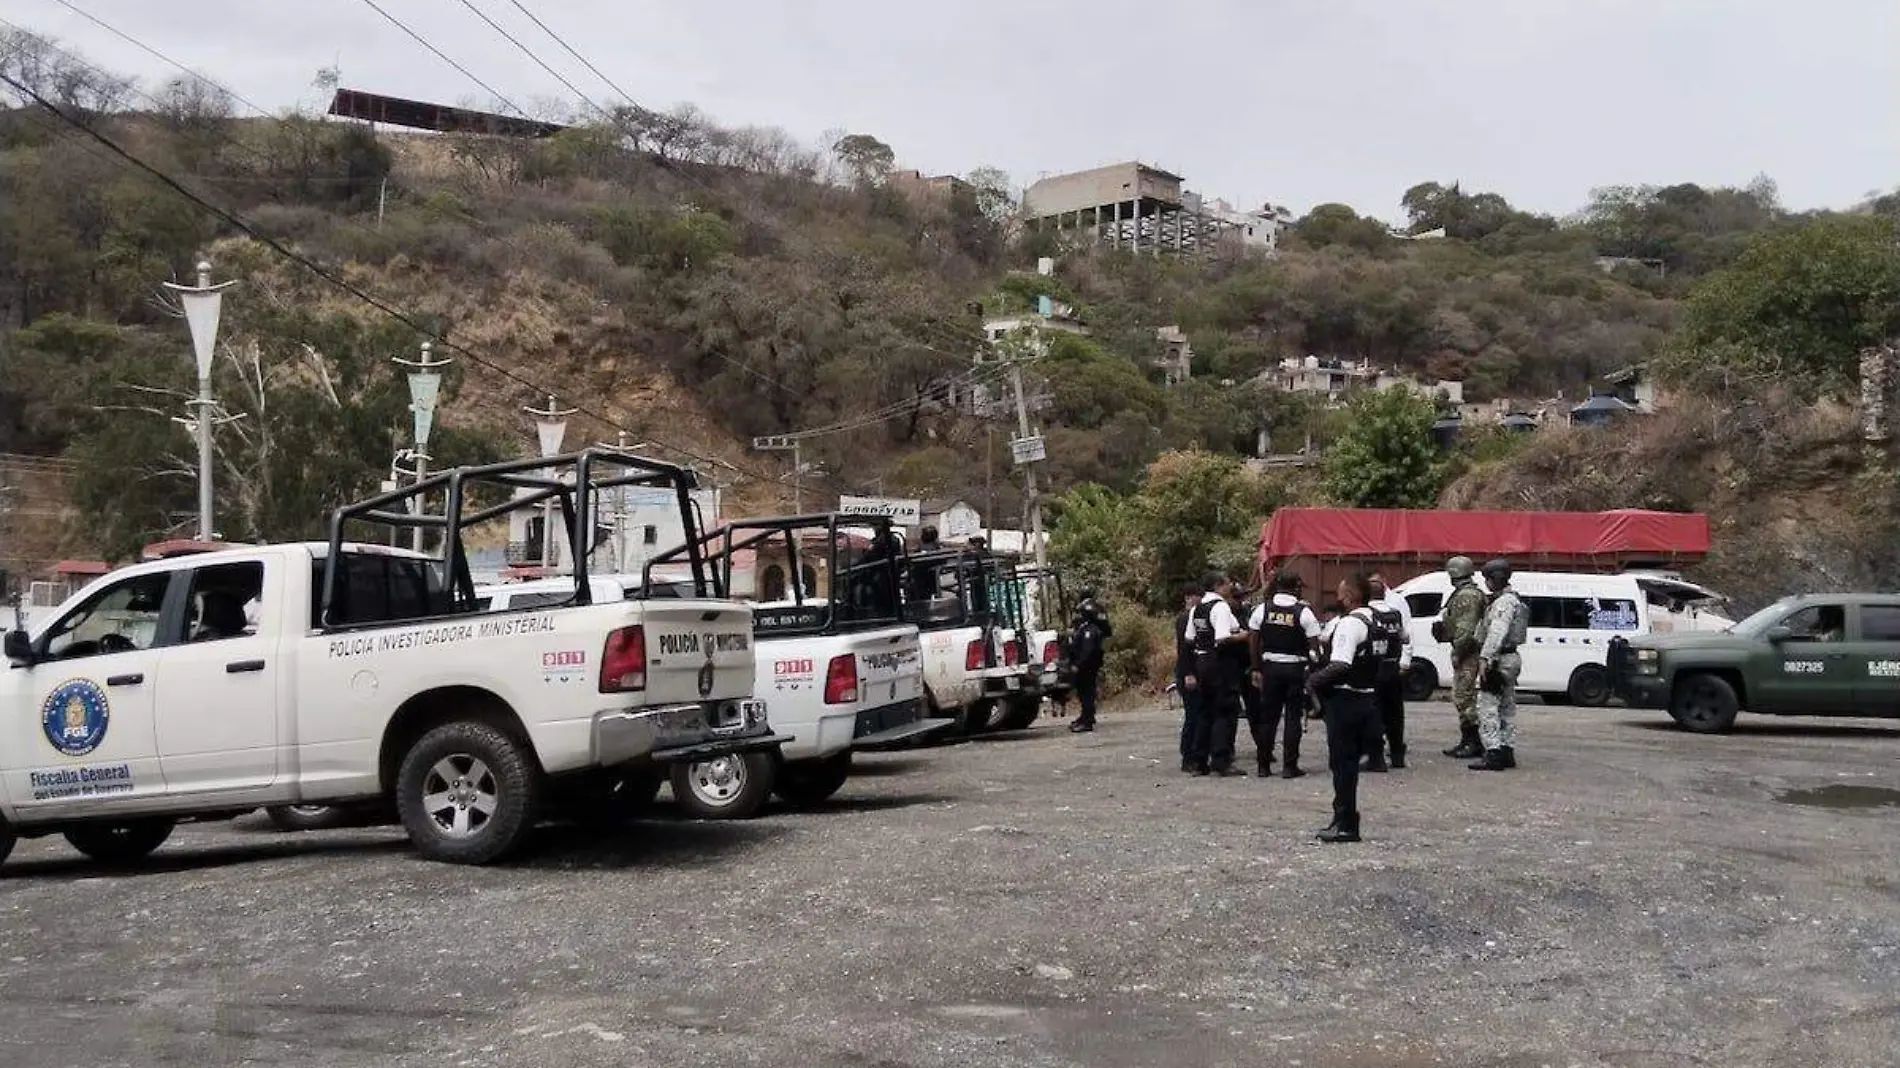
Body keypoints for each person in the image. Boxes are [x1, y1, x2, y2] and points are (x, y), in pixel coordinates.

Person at [1303, 573, 1393, 843]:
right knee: (1349, 764)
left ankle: (1345, 824)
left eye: (1341, 594)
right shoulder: (1378, 620)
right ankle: (1344, 820)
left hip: (1346, 700)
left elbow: (1341, 664)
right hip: (1368, 698)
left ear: (1352, 596)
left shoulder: (1350, 624)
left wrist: (1312, 682)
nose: (1338, 598)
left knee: (1343, 765)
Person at [1247, 569, 1321, 779]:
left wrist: (1255, 668)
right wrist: (1313, 670)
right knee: (1292, 718)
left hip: (1270, 669)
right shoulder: (1303, 612)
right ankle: (1290, 766)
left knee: (1268, 718)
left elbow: (1253, 642)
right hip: (1295, 670)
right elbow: (1315, 648)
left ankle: (1263, 765)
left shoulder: (1263, 609)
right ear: (1296, 587)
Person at [1183, 572, 1248, 776]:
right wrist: (1243, 636)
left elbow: (1189, 637)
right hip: (1219, 662)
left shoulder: (1197, 608)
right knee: (1225, 711)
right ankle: (1221, 759)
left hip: (1201, 660)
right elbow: (1222, 638)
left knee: (1204, 711)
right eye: (1228, 583)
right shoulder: (1220, 607)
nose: (1231, 586)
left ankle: (1199, 760)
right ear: (1218, 585)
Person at [1470, 558, 1529, 772]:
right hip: (1511, 657)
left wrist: (1486, 658)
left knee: (1487, 706)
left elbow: (1497, 632)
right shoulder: (1514, 599)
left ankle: (1493, 752)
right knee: (1506, 706)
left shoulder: (1503, 603)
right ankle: (1506, 749)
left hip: (1499, 659)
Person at [1438, 556, 1489, 759]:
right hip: (1470, 650)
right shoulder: (1471, 593)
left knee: (1463, 696)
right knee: (1463, 696)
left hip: (1468, 652)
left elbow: (1466, 630)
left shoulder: (1466, 596)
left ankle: (1473, 742)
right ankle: (1468, 741)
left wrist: (1458, 652)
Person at [1364, 573, 1413, 771]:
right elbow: (1405, 637)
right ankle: (1397, 755)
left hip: (1374, 669)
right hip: (1393, 668)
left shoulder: (1366, 614)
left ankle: (1375, 758)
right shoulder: (1395, 614)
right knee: (1395, 713)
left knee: (1374, 713)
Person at [1067, 590, 1110, 733]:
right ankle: (1086, 717)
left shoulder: (1089, 631)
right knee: (1084, 692)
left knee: (1086, 692)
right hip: (1088, 664)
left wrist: (1078, 665)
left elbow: (1087, 651)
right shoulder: (1087, 628)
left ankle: (1087, 721)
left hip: (1086, 666)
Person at [1172, 585, 1202, 770]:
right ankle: (1188, 756)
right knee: (1193, 715)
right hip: (1187, 671)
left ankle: (1194, 753)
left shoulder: (1193, 617)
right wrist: (1188, 673)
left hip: (1192, 670)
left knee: (1196, 715)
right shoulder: (1186, 618)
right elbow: (1184, 648)